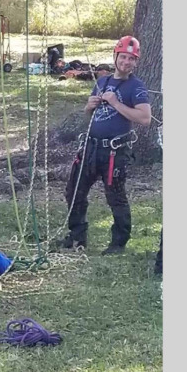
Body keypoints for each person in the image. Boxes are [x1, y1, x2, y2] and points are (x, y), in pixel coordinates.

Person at [58, 35, 151, 255]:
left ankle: (118, 242)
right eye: (123, 57)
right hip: (91, 148)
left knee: (115, 197)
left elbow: (145, 118)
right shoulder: (103, 81)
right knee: (74, 191)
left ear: (136, 62)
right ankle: (77, 236)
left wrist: (116, 103)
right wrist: (89, 107)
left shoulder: (136, 87)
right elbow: (90, 116)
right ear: (115, 56)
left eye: (131, 59)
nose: (126, 62)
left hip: (114, 151)